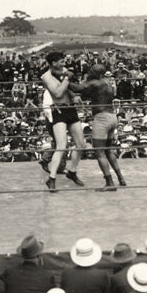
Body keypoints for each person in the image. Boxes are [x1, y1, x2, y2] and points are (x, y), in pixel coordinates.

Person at [69, 64, 126, 190]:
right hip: (112, 117)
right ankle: (121, 178)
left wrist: (66, 78)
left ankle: (110, 183)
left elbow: (76, 88)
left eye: (92, 72)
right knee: (108, 150)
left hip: (102, 119)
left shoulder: (96, 83)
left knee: (99, 152)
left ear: (98, 74)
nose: (90, 73)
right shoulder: (107, 82)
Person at [40, 51, 87, 192]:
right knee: (61, 145)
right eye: (61, 61)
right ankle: (52, 178)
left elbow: (69, 88)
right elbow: (58, 93)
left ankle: (72, 172)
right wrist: (67, 79)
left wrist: (74, 96)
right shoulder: (46, 77)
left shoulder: (64, 70)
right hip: (58, 110)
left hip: (71, 109)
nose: (64, 63)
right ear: (54, 63)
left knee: (81, 144)